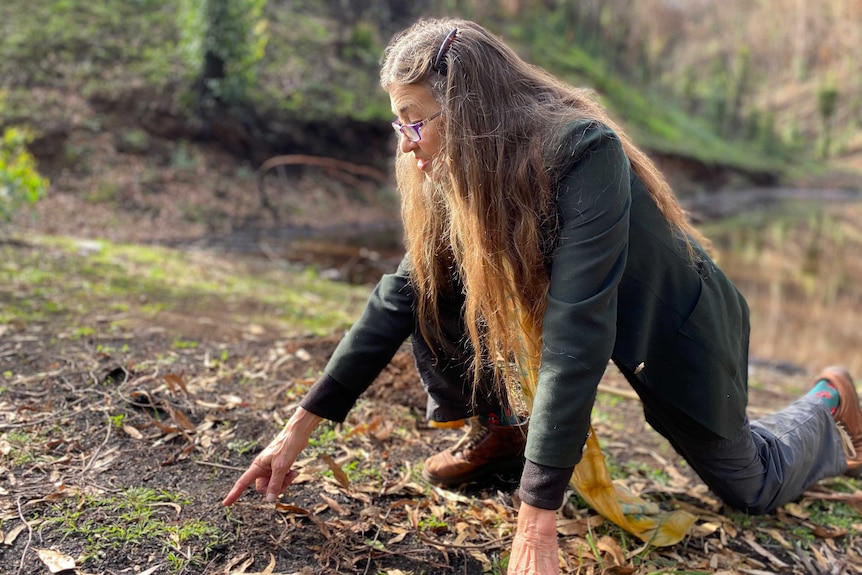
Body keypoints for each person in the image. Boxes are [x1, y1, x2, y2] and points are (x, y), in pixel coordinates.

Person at [223, 18, 862, 574]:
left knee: (751, 484)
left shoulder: (585, 152)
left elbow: (578, 332)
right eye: (400, 122)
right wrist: (296, 429)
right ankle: (500, 430)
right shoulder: (457, 167)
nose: (407, 143)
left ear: (469, 112)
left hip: (674, 323)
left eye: (417, 121)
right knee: (429, 289)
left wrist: (536, 521)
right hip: (596, 314)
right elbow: (402, 292)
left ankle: (828, 401)